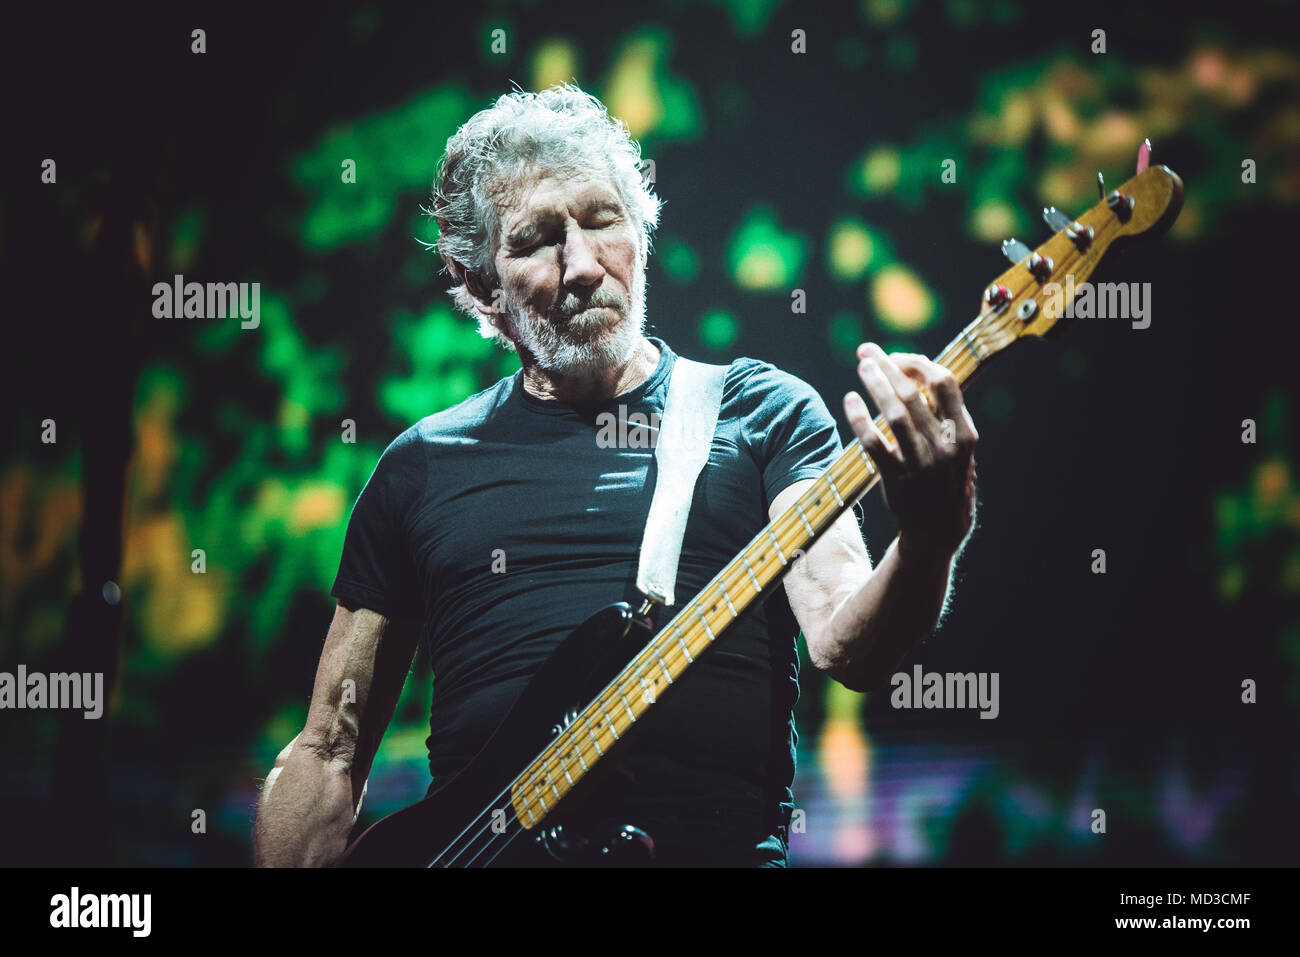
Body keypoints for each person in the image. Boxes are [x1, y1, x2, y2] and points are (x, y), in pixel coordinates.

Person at [252, 83, 978, 868]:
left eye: (603, 220)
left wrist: (932, 538)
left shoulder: (760, 413)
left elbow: (848, 642)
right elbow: (329, 750)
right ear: (481, 286)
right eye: (535, 240)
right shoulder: (421, 467)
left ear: (642, 228)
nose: (583, 265)